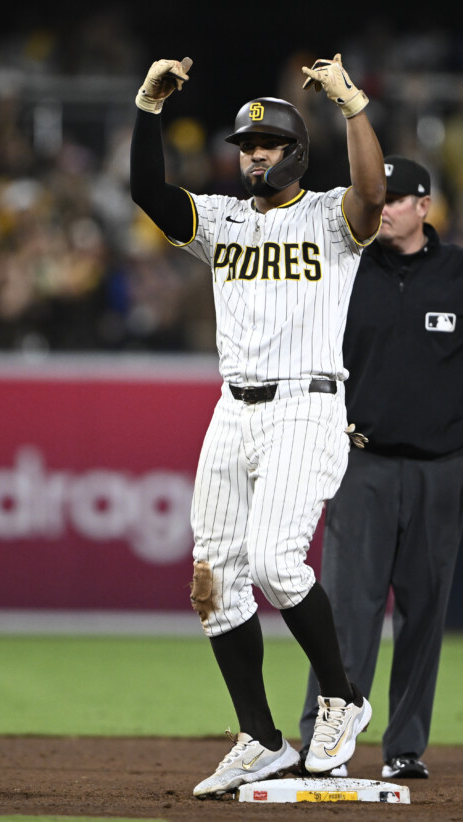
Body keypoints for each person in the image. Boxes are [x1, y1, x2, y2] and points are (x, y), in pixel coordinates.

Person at [130, 55, 386, 797]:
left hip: (308, 403)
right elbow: (149, 190)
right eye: (245, 146)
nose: (253, 156)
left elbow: (372, 192)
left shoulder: (331, 217)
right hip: (233, 407)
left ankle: (342, 699)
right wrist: (148, 108)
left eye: (267, 145)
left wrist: (353, 107)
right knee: (213, 579)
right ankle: (261, 738)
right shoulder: (220, 218)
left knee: (277, 563)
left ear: (295, 152)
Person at [297, 156, 463, 780]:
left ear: (425, 206)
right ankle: (323, 742)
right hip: (359, 464)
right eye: (378, 196)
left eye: (396, 197)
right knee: (344, 612)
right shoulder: (344, 264)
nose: (383, 205)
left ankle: (405, 748)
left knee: (425, 609)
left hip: (441, 468)